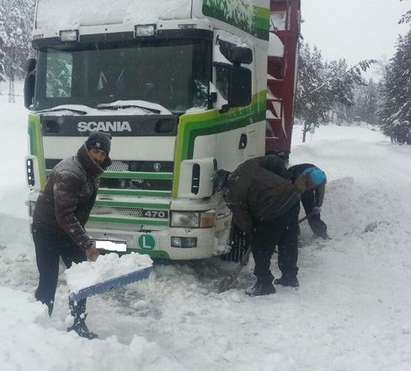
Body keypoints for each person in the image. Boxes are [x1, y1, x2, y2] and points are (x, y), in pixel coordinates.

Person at [32, 131, 112, 339]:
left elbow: (74, 214)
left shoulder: (91, 171)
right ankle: (37, 327)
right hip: (47, 231)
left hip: (66, 232)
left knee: (80, 279)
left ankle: (77, 324)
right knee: (48, 279)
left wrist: (81, 240)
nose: (98, 156)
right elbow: (65, 215)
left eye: (102, 154)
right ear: (86, 149)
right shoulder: (70, 173)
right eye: (95, 151)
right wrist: (87, 243)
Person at [214, 156, 326, 296]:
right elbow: (275, 161)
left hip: (271, 211)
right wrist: (285, 180)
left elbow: (243, 219)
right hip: (291, 198)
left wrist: (253, 232)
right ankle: (289, 277)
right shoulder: (246, 166)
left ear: (222, 186)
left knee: (261, 247)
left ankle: (264, 283)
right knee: (288, 241)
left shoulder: (231, 193)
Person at [287, 163, 329, 240]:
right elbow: (295, 195)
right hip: (292, 181)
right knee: (292, 210)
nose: (312, 187)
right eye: (311, 185)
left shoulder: (321, 178)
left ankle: (321, 233)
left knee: (311, 209)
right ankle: (293, 235)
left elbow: (320, 193)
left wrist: (317, 205)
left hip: (306, 181)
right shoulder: (299, 178)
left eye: (314, 186)